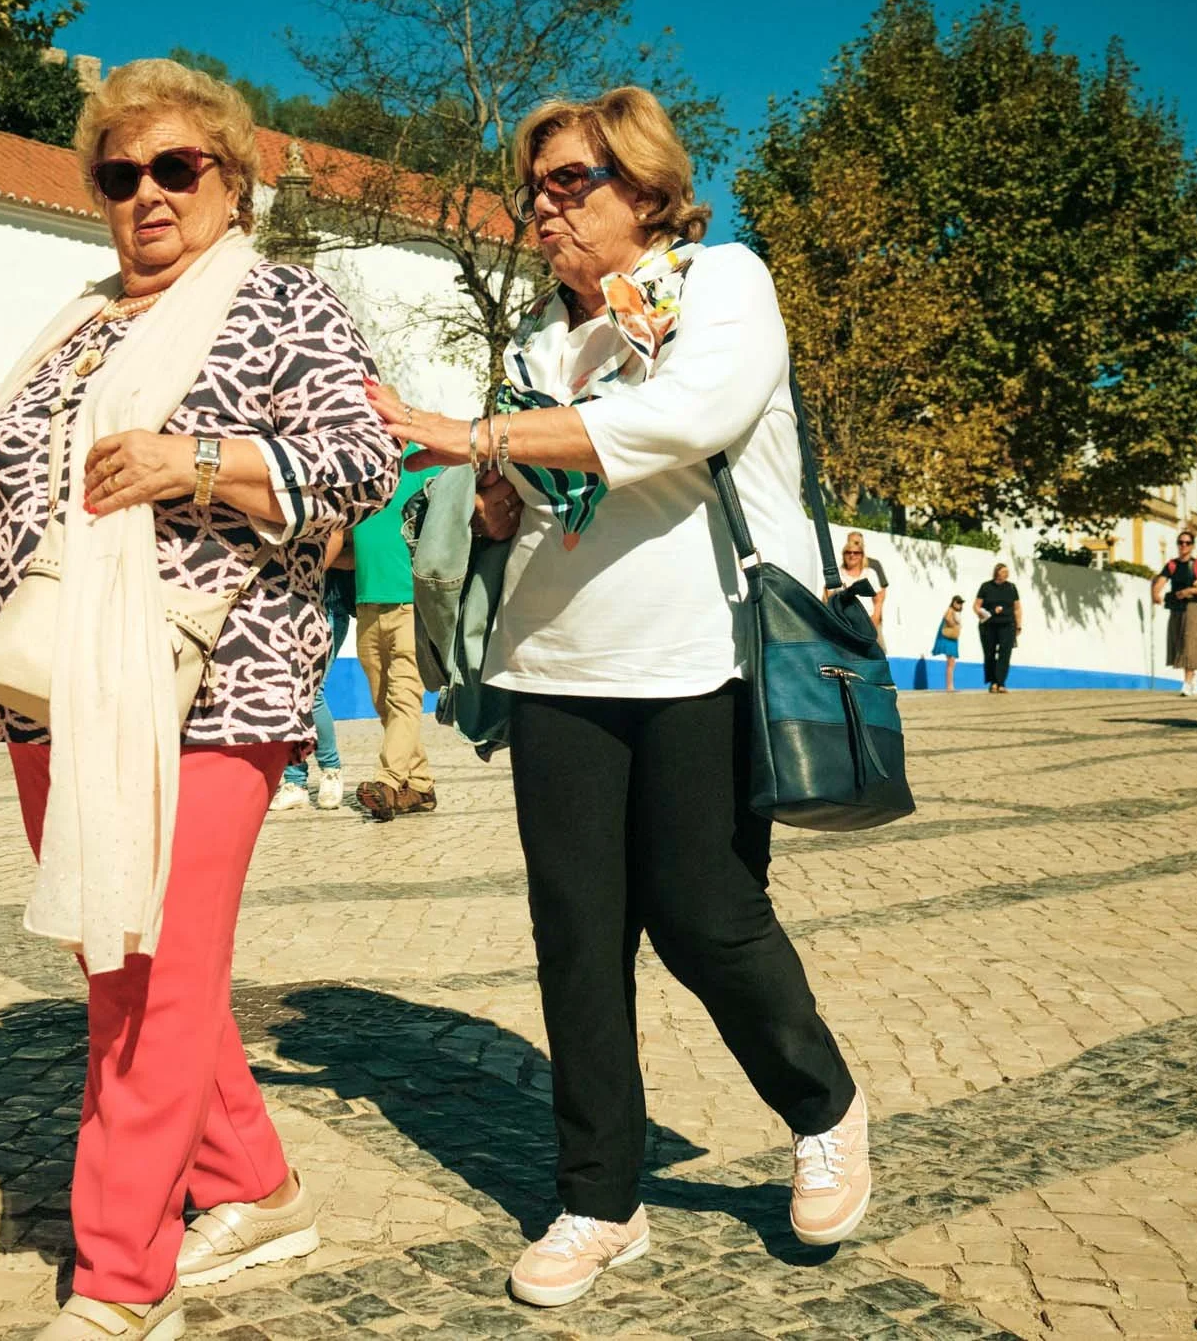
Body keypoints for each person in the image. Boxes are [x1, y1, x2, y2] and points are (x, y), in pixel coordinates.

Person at [366, 85, 868, 1309]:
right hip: (554, 667)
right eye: (532, 187)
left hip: (698, 654)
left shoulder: (724, 284)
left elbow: (687, 418)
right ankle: (599, 1199)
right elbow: (545, 495)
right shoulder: (540, 343)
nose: (543, 207)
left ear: (644, 190)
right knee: (576, 937)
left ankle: (824, 1106)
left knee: (704, 910)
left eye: (570, 182)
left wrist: (481, 438)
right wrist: (490, 503)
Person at [0, 59, 398, 1339]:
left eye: (175, 169)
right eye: (119, 174)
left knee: (144, 976)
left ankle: (117, 1274)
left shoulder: (279, 304)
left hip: (211, 687)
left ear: (231, 180)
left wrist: (195, 458)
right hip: (53, 685)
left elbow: (362, 460)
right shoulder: (77, 319)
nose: (146, 196)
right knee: (142, 958)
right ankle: (255, 1184)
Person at [353, 447, 443, 821]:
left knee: (404, 697)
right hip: (366, 603)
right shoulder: (356, 467)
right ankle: (419, 785)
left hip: (411, 604)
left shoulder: (424, 465)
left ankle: (388, 781)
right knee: (383, 702)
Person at [271, 531, 354, 811]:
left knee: (311, 693)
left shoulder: (333, 511)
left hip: (326, 606)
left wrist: (299, 569)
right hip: (288, 607)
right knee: (291, 693)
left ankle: (331, 771)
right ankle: (295, 781)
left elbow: (345, 552)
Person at [1151, 531, 1197, 696]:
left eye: (1187, 542)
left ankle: (1186, 683)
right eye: (1181, 542)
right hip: (1177, 608)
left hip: (1195, 607)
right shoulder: (1172, 565)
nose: (1183, 545)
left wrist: (1190, 590)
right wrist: (1155, 593)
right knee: (1179, 643)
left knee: (1190, 643)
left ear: (1192, 545)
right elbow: (1161, 581)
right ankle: (1192, 678)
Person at [974, 563, 1021, 693]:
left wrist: (1019, 625)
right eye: (1003, 572)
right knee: (989, 654)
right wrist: (984, 613)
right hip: (988, 625)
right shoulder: (986, 586)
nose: (1006, 574)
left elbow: (1017, 608)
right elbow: (976, 606)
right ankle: (993, 681)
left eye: (1007, 572)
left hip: (1007, 625)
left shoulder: (1011, 588)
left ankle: (1000, 683)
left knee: (1004, 654)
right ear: (997, 573)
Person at [836, 531, 889, 640]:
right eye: (851, 542)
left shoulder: (873, 565)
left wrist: (875, 618)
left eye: (857, 542)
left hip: (870, 620)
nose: (852, 554)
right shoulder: (841, 568)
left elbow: (880, 594)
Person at [932, 596, 964, 692]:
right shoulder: (950, 610)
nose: (960, 604)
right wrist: (955, 624)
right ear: (954, 602)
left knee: (951, 662)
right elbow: (947, 619)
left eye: (961, 603)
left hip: (951, 638)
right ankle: (950, 687)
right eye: (958, 602)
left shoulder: (953, 611)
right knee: (951, 662)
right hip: (949, 639)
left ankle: (950, 686)